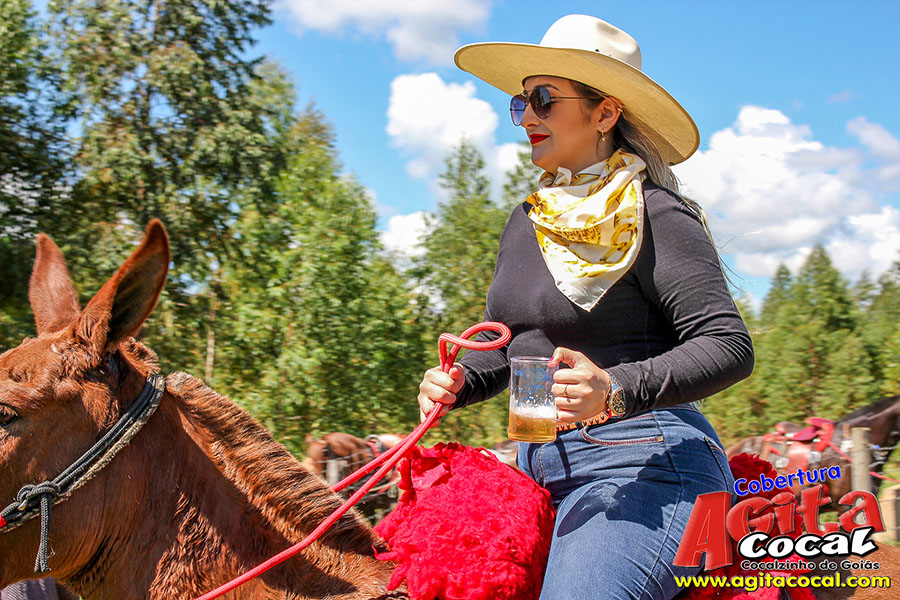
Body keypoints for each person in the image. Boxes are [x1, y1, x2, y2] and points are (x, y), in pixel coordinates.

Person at [415, 14, 754, 600]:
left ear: (606, 112)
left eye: (544, 100)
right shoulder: (526, 221)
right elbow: (518, 344)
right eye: (521, 103)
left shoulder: (658, 213)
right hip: (536, 464)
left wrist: (614, 389)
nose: (527, 118)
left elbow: (729, 346)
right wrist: (462, 381)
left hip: (646, 465)